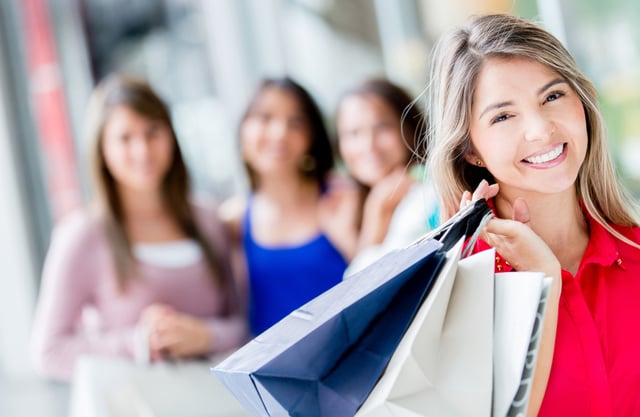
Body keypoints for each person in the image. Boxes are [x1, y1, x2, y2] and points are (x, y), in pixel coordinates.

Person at [427, 14, 640, 417]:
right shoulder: (455, 288)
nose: (541, 130)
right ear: (471, 149)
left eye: (553, 96)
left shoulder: (636, 253)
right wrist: (542, 283)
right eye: (503, 116)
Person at [30, 75, 247, 381]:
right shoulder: (82, 235)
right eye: (125, 138)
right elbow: (48, 352)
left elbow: (242, 326)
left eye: (152, 132)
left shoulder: (208, 220)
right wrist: (137, 343)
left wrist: (204, 336)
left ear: (171, 135)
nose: (143, 150)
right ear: (102, 149)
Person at [219, 77, 359, 336]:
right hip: (272, 371)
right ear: (243, 130)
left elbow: (379, 280)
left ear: (311, 136)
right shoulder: (232, 220)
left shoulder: (341, 197)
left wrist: (347, 237)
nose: (279, 133)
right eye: (265, 118)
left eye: (295, 122)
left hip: (355, 360)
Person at [336, 78, 439, 275]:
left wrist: (377, 211)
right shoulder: (346, 206)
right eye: (354, 133)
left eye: (382, 127)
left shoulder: (427, 195)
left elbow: (361, 288)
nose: (369, 145)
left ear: (409, 128)